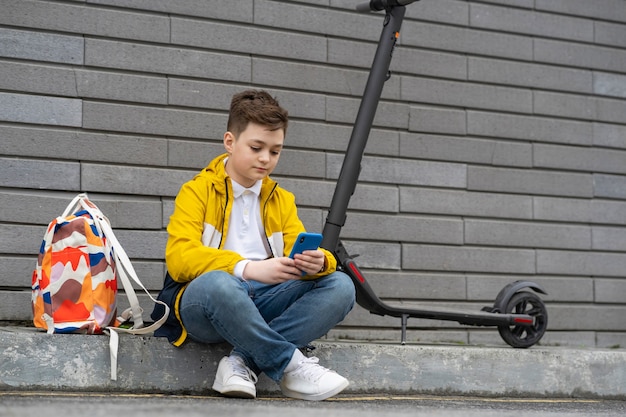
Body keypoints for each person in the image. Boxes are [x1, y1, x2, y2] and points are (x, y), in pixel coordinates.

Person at [151, 89, 356, 401]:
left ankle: (241, 362)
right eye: (257, 147)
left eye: (275, 151)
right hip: (205, 304)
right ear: (230, 142)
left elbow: (298, 257)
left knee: (341, 285)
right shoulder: (196, 191)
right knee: (222, 283)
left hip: (261, 305)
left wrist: (319, 263)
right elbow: (179, 259)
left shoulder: (281, 199)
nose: (265, 159)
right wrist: (248, 268)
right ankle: (291, 364)